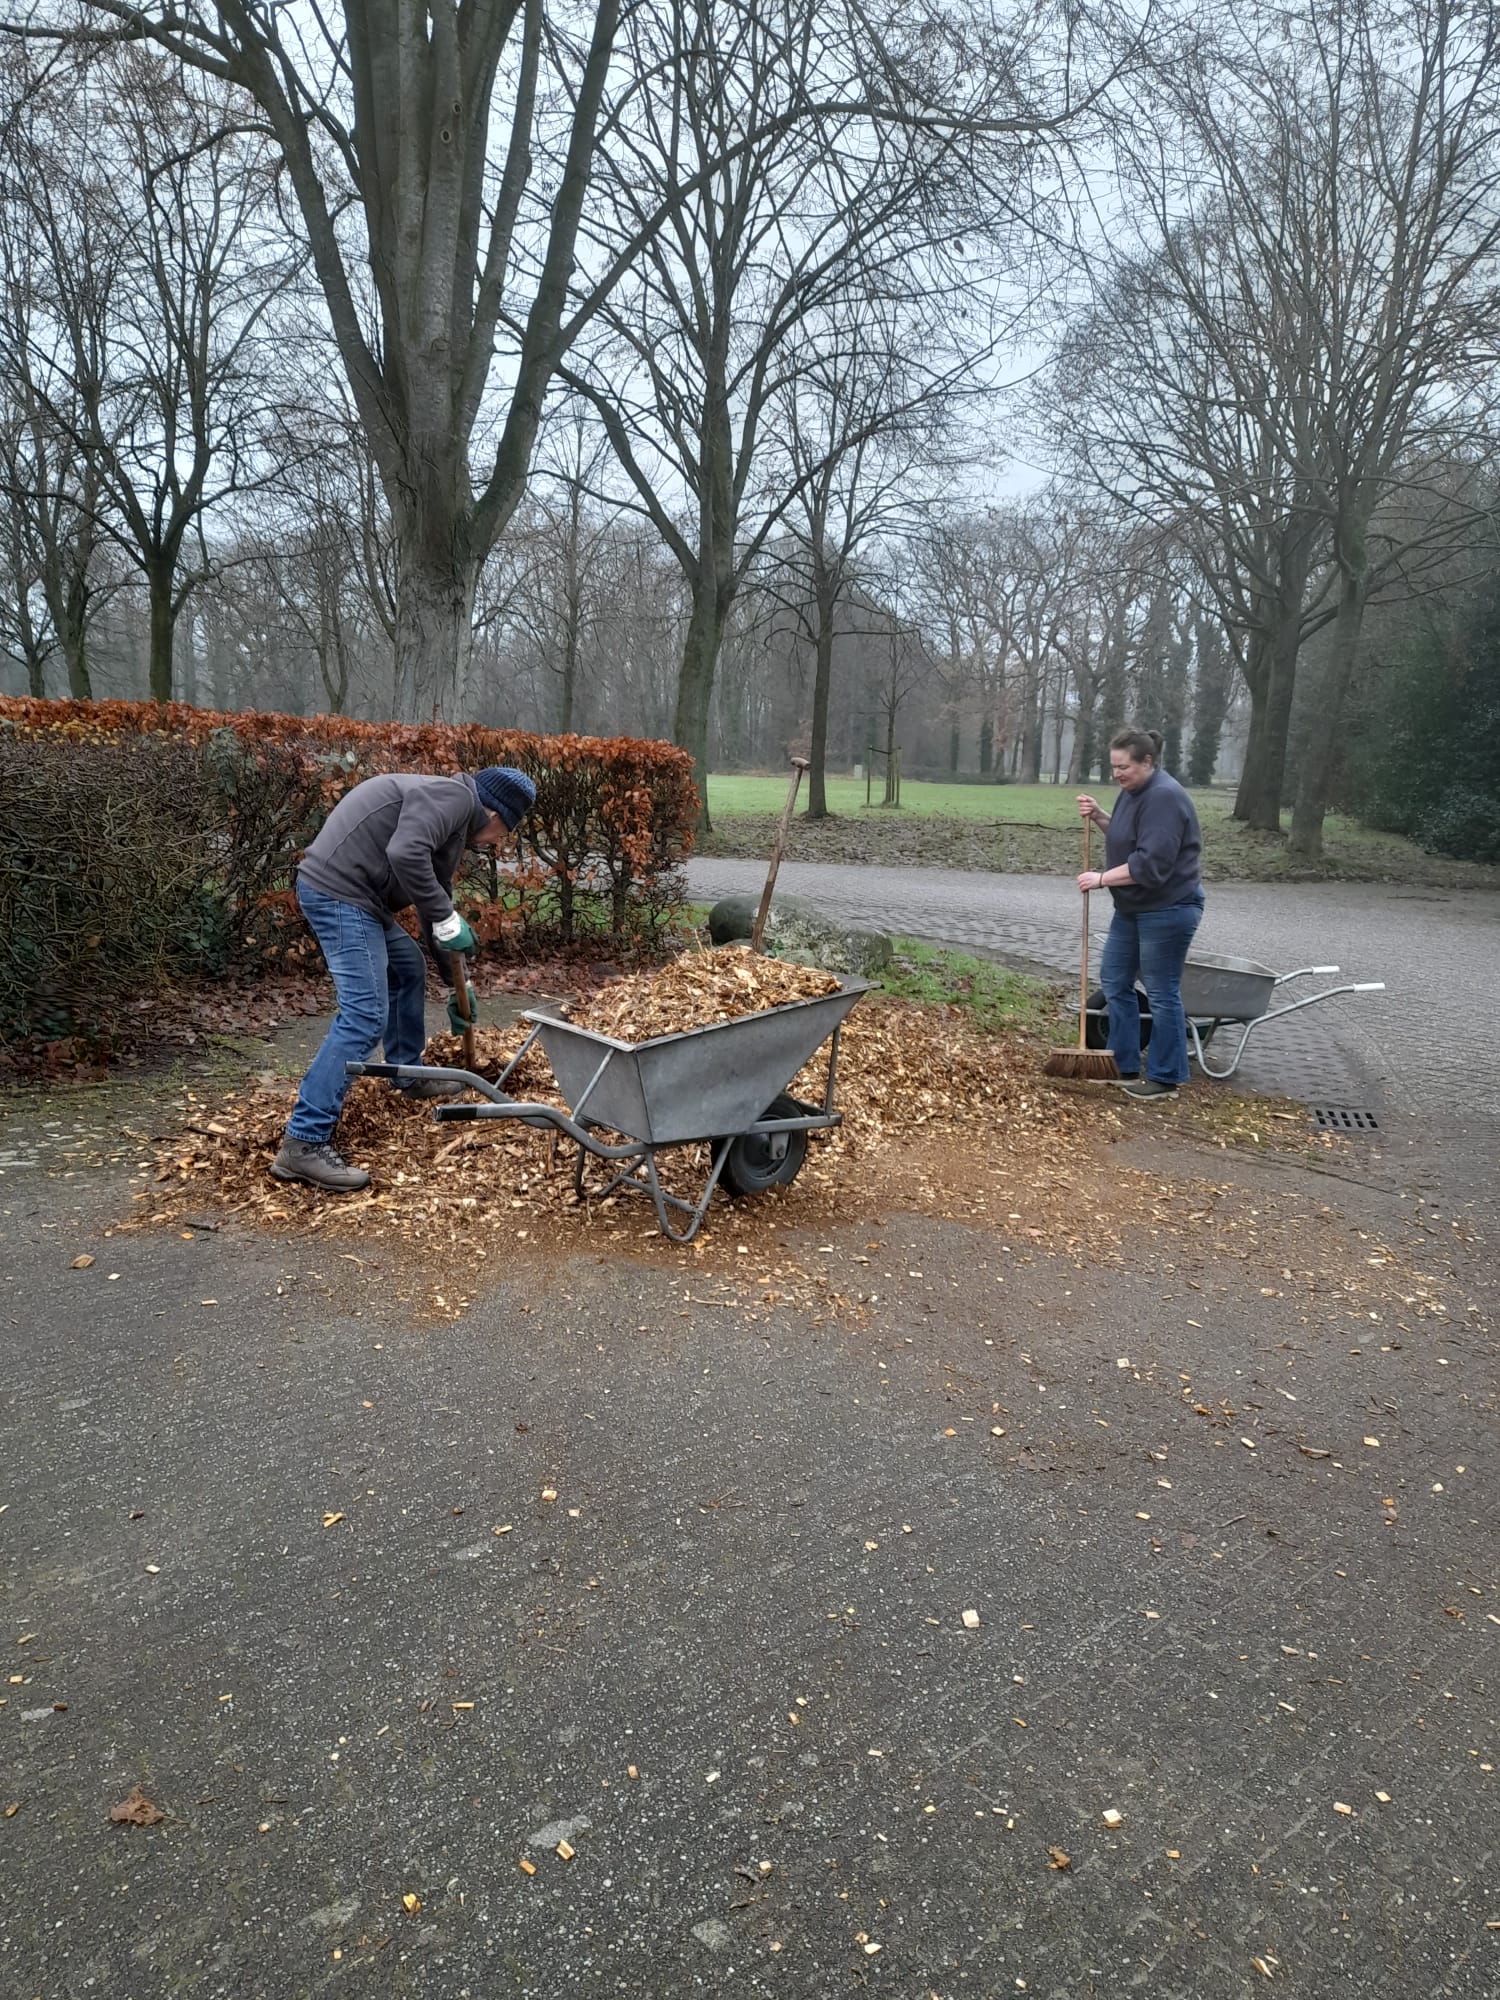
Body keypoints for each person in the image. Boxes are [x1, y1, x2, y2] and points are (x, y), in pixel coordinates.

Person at [271, 765, 536, 1191]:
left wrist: (458, 984)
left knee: (407, 967)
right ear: (495, 815)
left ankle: (406, 1072)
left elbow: (436, 906)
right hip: (340, 892)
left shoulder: (451, 817)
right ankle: (303, 1142)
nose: (497, 843)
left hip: (360, 898)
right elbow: (406, 854)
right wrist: (448, 918)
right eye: (503, 832)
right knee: (364, 1014)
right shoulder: (453, 798)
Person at [1076, 728, 1203, 1104]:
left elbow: (1150, 865)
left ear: (1147, 762)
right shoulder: (1132, 792)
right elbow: (1125, 836)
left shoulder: (1164, 797)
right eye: (1113, 767)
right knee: (1114, 981)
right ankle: (1122, 1063)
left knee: (1161, 992)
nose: (1117, 773)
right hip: (1132, 908)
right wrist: (1101, 815)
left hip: (1168, 908)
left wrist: (1100, 879)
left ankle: (1166, 1076)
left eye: (1124, 767)